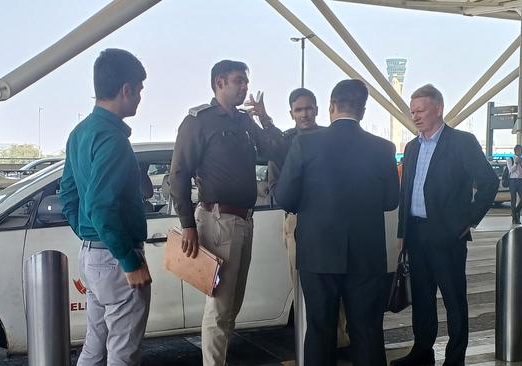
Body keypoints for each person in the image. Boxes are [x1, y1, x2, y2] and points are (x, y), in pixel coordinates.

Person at [275, 79, 400, 366]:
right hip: (367, 255)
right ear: (363, 110)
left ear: (331, 106)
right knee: (367, 329)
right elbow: (390, 201)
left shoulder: (305, 143)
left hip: (318, 254)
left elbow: (285, 198)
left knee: (320, 329)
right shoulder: (383, 148)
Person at [169, 60, 284, 366]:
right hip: (218, 219)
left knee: (232, 305)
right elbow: (178, 174)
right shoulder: (199, 121)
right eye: (238, 81)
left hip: (244, 220)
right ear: (219, 82)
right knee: (219, 307)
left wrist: (264, 118)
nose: (244, 86)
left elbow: (276, 149)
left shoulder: (245, 122)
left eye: (246, 81)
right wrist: (188, 225)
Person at [392, 84, 498, 366]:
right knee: (423, 300)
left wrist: (468, 220)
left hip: (448, 235)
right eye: (412, 111)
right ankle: (422, 352)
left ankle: (455, 359)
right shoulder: (412, 147)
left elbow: (489, 182)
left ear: (438, 109)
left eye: (421, 110)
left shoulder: (462, 142)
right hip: (416, 234)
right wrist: (402, 233)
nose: (415, 116)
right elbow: (406, 192)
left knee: (453, 300)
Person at [59, 48, 152, 365]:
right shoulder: (113, 140)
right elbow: (101, 206)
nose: (140, 97)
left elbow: (68, 193)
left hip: (92, 254)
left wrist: (86, 231)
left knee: (94, 347)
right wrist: (129, 260)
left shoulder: (79, 133)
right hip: (115, 258)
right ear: (126, 89)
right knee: (122, 353)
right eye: (139, 89)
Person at [266, 88, 350, 351]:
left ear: (317, 109)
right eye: (298, 110)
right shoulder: (284, 143)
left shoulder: (331, 138)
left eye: (308, 108)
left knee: (340, 286)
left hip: (334, 222)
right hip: (298, 221)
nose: (304, 114)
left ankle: (341, 340)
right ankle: (314, 346)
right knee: (304, 287)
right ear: (291, 113)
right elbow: (276, 187)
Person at [507, 144, 522, 224]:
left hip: (520, 180)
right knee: (513, 199)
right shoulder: (510, 159)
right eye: (520, 150)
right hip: (512, 181)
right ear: (516, 151)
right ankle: (515, 219)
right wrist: (515, 163)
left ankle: (515, 212)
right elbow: (510, 170)